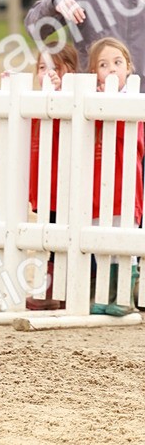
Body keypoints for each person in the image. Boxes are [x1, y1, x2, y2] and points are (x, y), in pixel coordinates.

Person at [86, 36, 144, 315]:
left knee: (124, 241)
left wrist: (112, 111)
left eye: (117, 63)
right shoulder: (89, 102)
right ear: (94, 73)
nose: (111, 69)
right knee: (100, 242)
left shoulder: (135, 102)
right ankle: (104, 295)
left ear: (128, 67)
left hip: (124, 188)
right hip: (97, 189)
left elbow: (138, 144)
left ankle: (123, 296)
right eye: (103, 65)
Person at [25, 42, 78, 310]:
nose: (48, 73)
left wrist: (60, 93)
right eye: (42, 67)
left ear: (71, 71)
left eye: (55, 67)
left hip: (63, 184)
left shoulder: (73, 102)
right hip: (44, 184)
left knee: (61, 236)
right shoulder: (36, 102)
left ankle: (56, 287)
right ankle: (55, 286)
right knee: (49, 233)